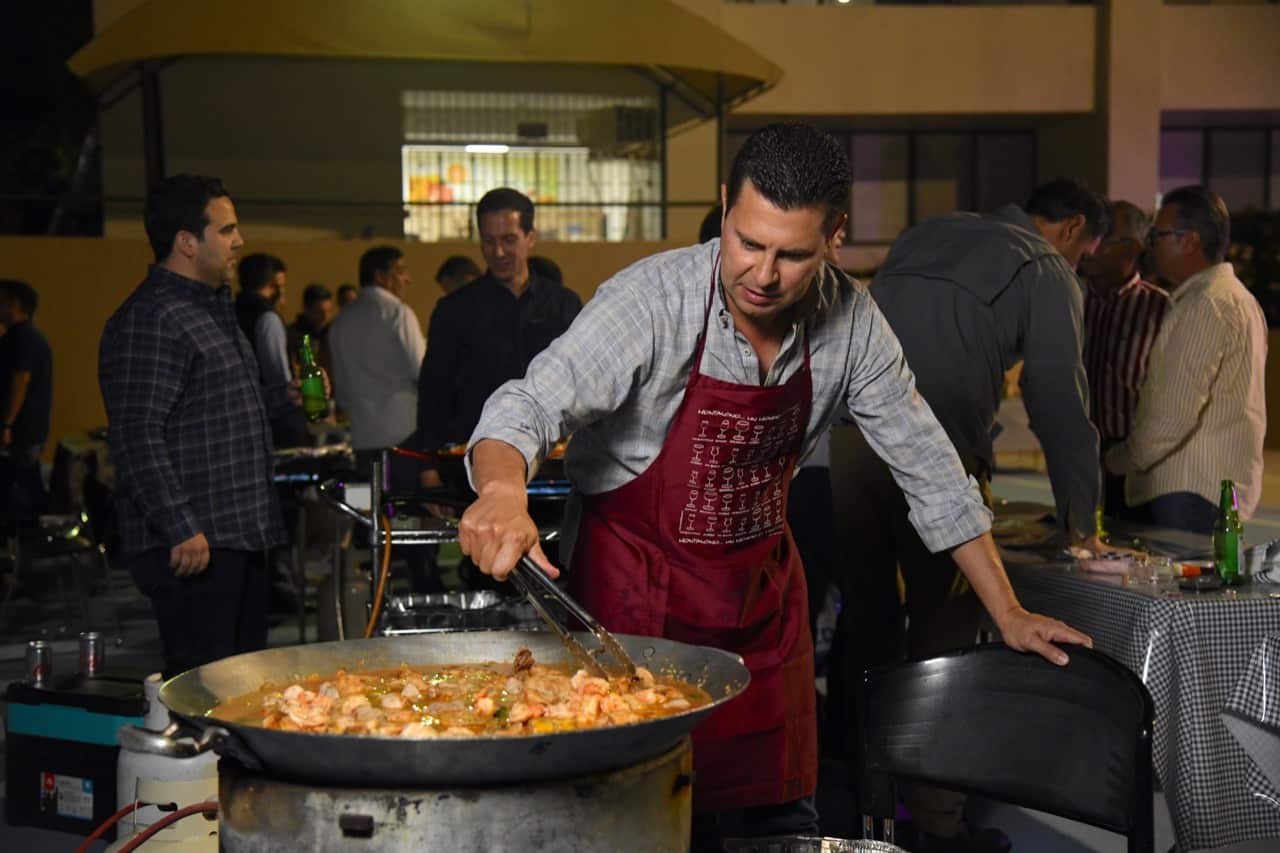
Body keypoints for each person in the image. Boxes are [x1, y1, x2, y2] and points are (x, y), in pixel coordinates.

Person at [455, 124, 1091, 850]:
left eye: (791, 254)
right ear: (726, 206)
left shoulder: (853, 323)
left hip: (758, 610)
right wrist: (502, 490)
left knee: (781, 824)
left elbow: (930, 467)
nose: (762, 274)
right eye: (747, 242)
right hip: (631, 609)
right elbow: (527, 405)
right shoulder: (652, 301)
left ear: (835, 239)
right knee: (634, 819)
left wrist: (1005, 609)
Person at [98, 174, 291, 678]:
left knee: (242, 691)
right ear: (186, 242)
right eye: (226, 231)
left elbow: (212, 409)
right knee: (201, 694)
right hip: (195, 544)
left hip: (238, 533)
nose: (239, 242)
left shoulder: (209, 310)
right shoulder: (153, 317)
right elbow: (137, 433)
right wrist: (180, 525)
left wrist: (281, 397)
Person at [1105, 186, 1267, 532]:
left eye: (1158, 235)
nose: (1151, 245)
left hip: (1186, 488)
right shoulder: (1238, 299)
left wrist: (1119, 460)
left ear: (1189, 241)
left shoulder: (1204, 305)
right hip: (1212, 487)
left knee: (1173, 583)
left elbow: (1171, 415)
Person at [415, 188, 581, 473]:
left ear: (531, 237)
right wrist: (428, 467)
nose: (498, 252)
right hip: (473, 466)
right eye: (488, 241)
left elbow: (584, 384)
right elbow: (434, 393)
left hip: (552, 465)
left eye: (509, 240)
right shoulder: (453, 310)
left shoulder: (564, 305)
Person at [1079, 201, 1170, 516]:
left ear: (1132, 248)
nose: (1089, 249)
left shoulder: (1161, 310)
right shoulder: (1070, 301)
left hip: (1137, 458)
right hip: (1079, 451)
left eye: (1102, 238)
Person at [327, 246, 426, 455]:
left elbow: (341, 387)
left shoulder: (340, 321)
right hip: (404, 433)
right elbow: (424, 371)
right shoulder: (399, 313)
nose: (407, 278)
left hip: (361, 435)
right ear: (380, 277)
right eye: (401, 271)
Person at [235, 253, 308, 447]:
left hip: (242, 417)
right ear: (272, 283)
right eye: (281, 285)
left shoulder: (231, 312)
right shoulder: (267, 317)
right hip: (275, 423)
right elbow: (279, 378)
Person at [0, 279, 52, 528]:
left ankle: (28, 545)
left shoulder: (23, 339)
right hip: (24, 430)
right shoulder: (24, 338)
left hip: (21, 431)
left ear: (14, 304)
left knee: (20, 490)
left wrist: (7, 424)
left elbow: (21, 381)